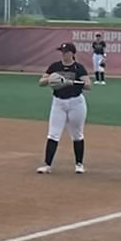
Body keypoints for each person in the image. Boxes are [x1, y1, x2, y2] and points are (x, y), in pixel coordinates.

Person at [37, 43, 91, 175]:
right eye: (62, 51)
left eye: (66, 52)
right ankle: (47, 165)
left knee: (77, 134)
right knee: (53, 134)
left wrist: (71, 82)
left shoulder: (78, 68)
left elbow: (88, 85)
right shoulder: (55, 67)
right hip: (58, 103)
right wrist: (51, 79)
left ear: (72, 53)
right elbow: (41, 82)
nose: (63, 54)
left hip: (76, 103)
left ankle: (79, 164)